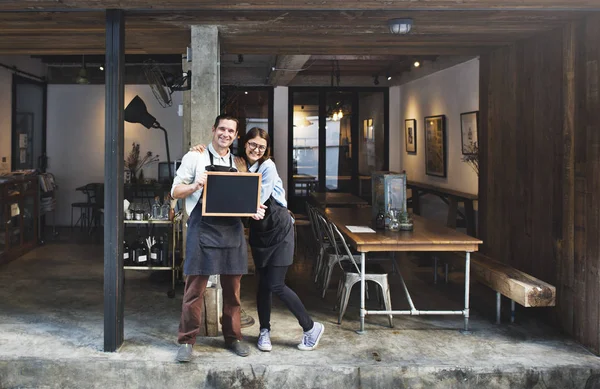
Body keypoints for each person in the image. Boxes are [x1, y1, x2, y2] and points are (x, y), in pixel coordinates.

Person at [191, 127, 324, 352]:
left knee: (276, 283)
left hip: (279, 229)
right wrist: (198, 151)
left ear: (266, 149)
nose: (257, 149)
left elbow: (256, 199)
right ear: (245, 144)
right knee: (263, 285)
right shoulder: (241, 163)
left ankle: (311, 328)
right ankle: (265, 331)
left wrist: (232, 203)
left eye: (261, 146)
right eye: (253, 144)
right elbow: (218, 162)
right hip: (260, 231)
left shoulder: (268, 166)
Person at [172, 114, 266, 363]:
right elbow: (174, 190)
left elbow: (248, 196)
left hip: (232, 229)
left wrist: (254, 209)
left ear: (236, 136)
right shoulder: (195, 156)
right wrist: (194, 187)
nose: (225, 134)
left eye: (231, 131)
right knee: (194, 290)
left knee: (233, 291)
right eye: (221, 129)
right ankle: (186, 340)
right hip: (202, 227)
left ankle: (233, 337)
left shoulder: (239, 163)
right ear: (213, 129)